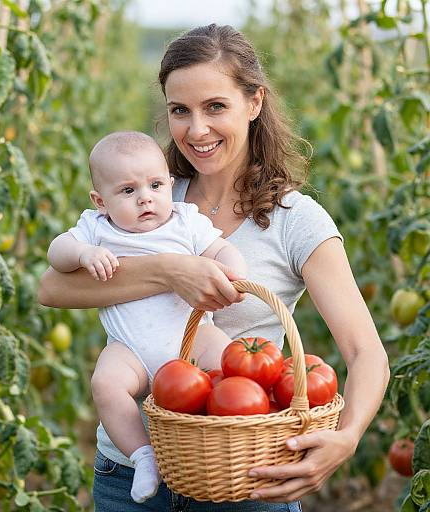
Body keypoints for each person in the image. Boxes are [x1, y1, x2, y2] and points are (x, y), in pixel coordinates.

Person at [38, 24, 390, 512]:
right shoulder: (150, 196)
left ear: (255, 103)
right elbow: (54, 287)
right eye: (180, 110)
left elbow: (365, 350)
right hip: (127, 476)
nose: (196, 130)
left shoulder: (295, 220)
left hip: (245, 479)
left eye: (215, 107)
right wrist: (171, 271)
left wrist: (348, 436)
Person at [47, 130, 247, 504]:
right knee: (106, 384)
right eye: (127, 191)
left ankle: (227, 439)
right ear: (100, 201)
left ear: (170, 185)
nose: (145, 198)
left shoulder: (185, 221)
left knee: (227, 362)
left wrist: (233, 275)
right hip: (131, 350)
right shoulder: (97, 229)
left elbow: (221, 249)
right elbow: (57, 251)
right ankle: (143, 456)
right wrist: (82, 254)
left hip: (191, 340)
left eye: (155, 185)